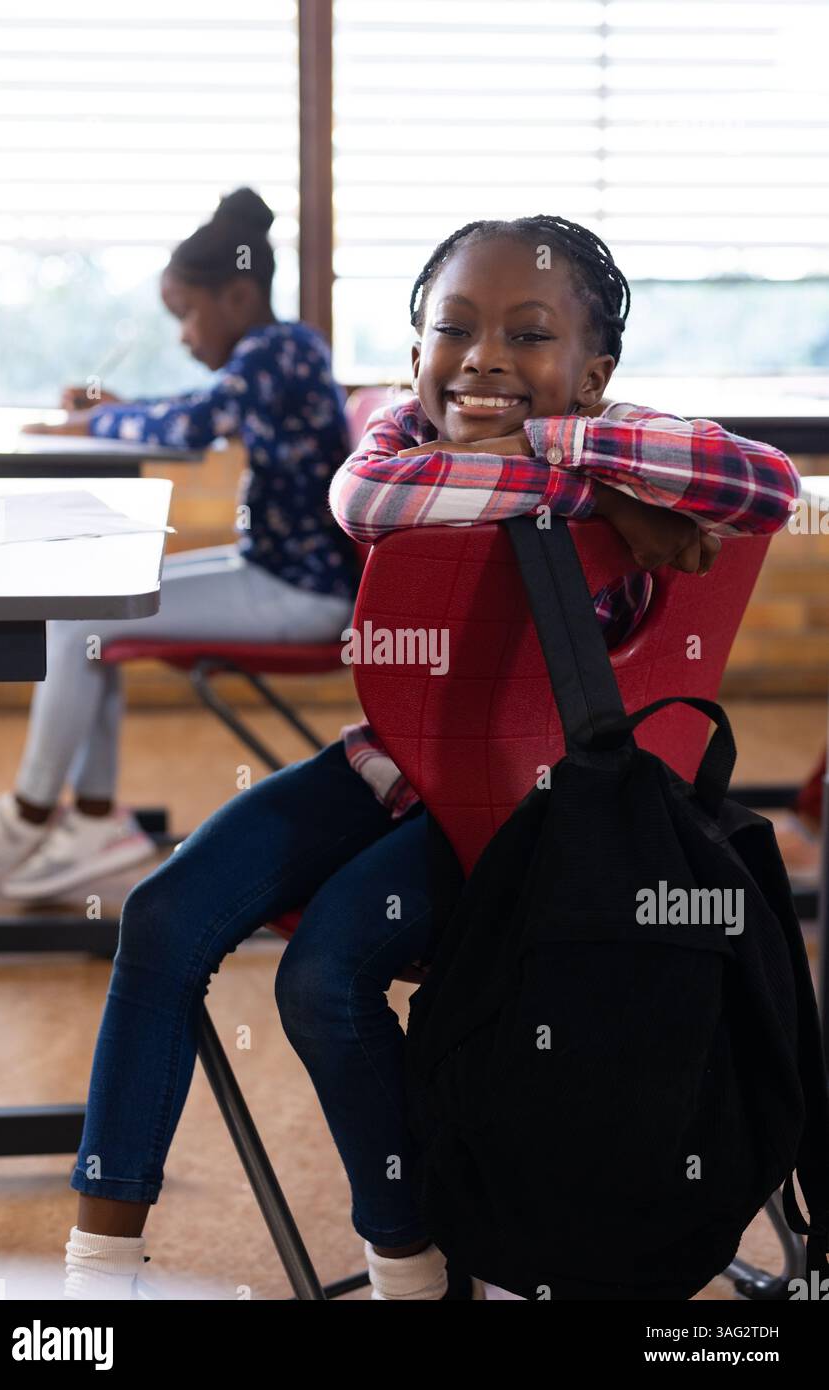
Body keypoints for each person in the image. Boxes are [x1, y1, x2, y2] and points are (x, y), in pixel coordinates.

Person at [61, 215, 801, 1301]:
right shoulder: (406, 447)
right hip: (395, 767)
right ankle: (98, 1272)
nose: (487, 356)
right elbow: (365, 498)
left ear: (593, 374)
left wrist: (562, 451)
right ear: (413, 356)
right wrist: (598, 496)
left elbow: (768, 485)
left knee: (324, 976)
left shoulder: (624, 429)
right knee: (160, 914)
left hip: (537, 818)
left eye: (529, 334)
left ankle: (411, 1267)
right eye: (454, 328)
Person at [0, 188, 358, 900]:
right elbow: (190, 410)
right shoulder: (280, 352)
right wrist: (118, 415)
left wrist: (88, 428)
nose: (181, 335)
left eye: (185, 314)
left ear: (237, 295)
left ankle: (32, 814)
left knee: (82, 613)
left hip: (301, 595)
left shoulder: (279, 352)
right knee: (86, 606)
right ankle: (88, 821)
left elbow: (191, 425)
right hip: (280, 573)